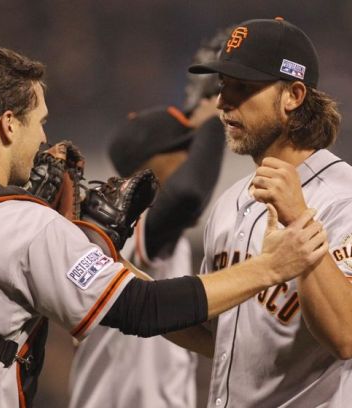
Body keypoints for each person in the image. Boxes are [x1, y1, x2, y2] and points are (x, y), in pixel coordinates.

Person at [0, 44, 329, 408]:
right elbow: (142, 308)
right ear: (7, 125)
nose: (44, 136)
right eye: (38, 120)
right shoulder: (23, 225)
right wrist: (270, 267)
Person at [186, 17, 352, 407]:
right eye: (222, 86)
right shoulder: (230, 203)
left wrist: (299, 220)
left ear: (294, 95)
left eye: (243, 87)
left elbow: (349, 336)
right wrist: (122, 282)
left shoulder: (349, 202)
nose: (222, 102)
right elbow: (221, 334)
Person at [68, 27, 231, 408]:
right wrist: (213, 118)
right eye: (185, 149)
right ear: (155, 162)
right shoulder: (123, 227)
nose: (194, 157)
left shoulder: (113, 223)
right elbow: (189, 194)